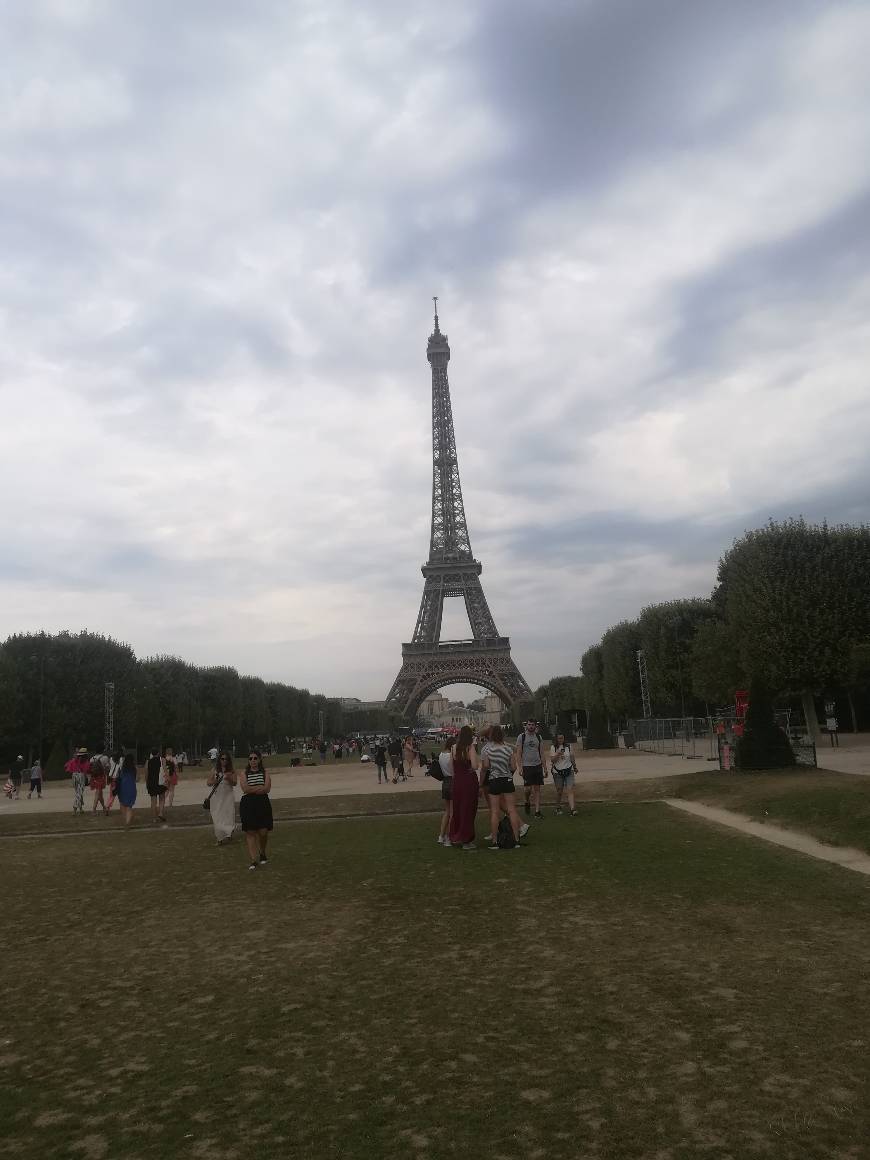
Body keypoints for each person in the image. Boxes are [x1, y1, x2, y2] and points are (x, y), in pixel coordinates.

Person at [481, 724, 523, 849]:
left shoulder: (488, 750)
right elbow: (514, 767)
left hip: (494, 780)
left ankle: (494, 841)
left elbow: (486, 766)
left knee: (494, 811)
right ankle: (516, 840)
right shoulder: (508, 749)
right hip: (507, 780)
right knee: (511, 810)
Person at [239, 750, 272, 871]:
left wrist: (254, 789)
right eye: (250, 758)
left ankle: (262, 851)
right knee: (250, 832)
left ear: (259, 759)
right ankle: (253, 860)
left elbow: (267, 788)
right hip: (248, 804)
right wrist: (259, 788)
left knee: (263, 832)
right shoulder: (244, 773)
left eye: (255, 758)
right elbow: (245, 788)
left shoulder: (265, 773)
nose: (253, 760)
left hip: (262, 803)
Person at [448, 725, 479, 851]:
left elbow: (451, 768)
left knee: (458, 810)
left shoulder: (453, 748)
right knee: (468, 810)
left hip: (458, 782)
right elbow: (475, 765)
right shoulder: (470, 747)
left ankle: (456, 835)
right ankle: (466, 840)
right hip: (468, 781)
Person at [516, 720, 548, 820]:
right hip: (526, 766)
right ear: (527, 726)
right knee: (527, 789)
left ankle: (537, 811)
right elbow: (518, 753)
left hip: (537, 765)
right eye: (529, 725)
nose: (530, 726)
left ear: (535, 726)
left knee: (537, 789)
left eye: (532, 725)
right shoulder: (521, 737)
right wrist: (520, 767)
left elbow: (542, 753)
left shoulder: (539, 737)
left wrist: (545, 768)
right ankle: (527, 800)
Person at [208, 751, 237, 844]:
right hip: (217, 796)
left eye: (226, 759)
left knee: (228, 815)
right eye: (222, 759)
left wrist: (229, 778)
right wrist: (214, 781)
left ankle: (228, 833)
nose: (224, 761)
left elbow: (235, 783)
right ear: (219, 760)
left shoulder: (232, 771)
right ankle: (219, 837)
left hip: (228, 796)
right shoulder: (215, 770)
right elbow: (208, 782)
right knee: (217, 816)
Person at [549, 733, 578, 816]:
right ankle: (557, 807)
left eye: (562, 738)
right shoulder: (553, 748)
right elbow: (552, 760)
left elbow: (572, 757)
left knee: (570, 789)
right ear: (556, 739)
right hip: (557, 772)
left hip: (569, 770)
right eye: (559, 738)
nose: (561, 740)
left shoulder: (568, 747)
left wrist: (575, 767)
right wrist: (558, 754)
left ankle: (573, 809)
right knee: (559, 791)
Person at [436, 738, 454, 846]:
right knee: (452, 813)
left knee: (447, 811)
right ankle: (448, 837)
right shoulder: (451, 756)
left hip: (445, 782)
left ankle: (441, 836)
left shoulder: (441, 755)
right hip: (452, 780)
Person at [65, 748, 91, 814]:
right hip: (81, 776)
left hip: (74, 775)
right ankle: (74, 809)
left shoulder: (74, 760)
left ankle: (81, 808)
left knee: (78, 793)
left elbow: (67, 766)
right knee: (79, 793)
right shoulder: (85, 761)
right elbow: (87, 771)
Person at [116, 752, 138, 828]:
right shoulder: (134, 769)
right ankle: (128, 822)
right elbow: (136, 779)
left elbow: (118, 777)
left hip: (122, 787)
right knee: (129, 807)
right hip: (131, 787)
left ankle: (125, 819)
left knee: (122, 804)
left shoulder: (122, 768)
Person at [146, 748, 167, 823]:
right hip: (160, 782)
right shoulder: (162, 760)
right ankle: (160, 813)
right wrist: (167, 779)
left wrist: (147, 782)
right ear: (158, 753)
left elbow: (147, 773)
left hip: (151, 782)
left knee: (153, 801)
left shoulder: (148, 761)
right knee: (162, 798)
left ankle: (154, 818)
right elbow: (165, 770)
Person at [162, 747, 178, 813]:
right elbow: (176, 767)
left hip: (166, 775)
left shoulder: (164, 759)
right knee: (172, 790)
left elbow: (163, 767)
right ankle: (170, 804)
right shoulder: (173, 758)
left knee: (166, 790)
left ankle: (162, 802)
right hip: (173, 775)